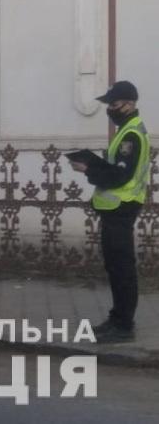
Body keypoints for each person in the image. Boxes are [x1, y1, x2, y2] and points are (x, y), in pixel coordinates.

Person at [69, 81, 151, 343]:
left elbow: (120, 175)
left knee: (122, 268)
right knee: (115, 266)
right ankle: (117, 319)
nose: (110, 110)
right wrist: (95, 163)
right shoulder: (126, 130)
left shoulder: (131, 135)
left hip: (122, 208)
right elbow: (117, 168)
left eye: (114, 105)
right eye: (109, 105)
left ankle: (124, 325)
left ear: (130, 104)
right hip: (114, 209)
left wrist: (89, 170)